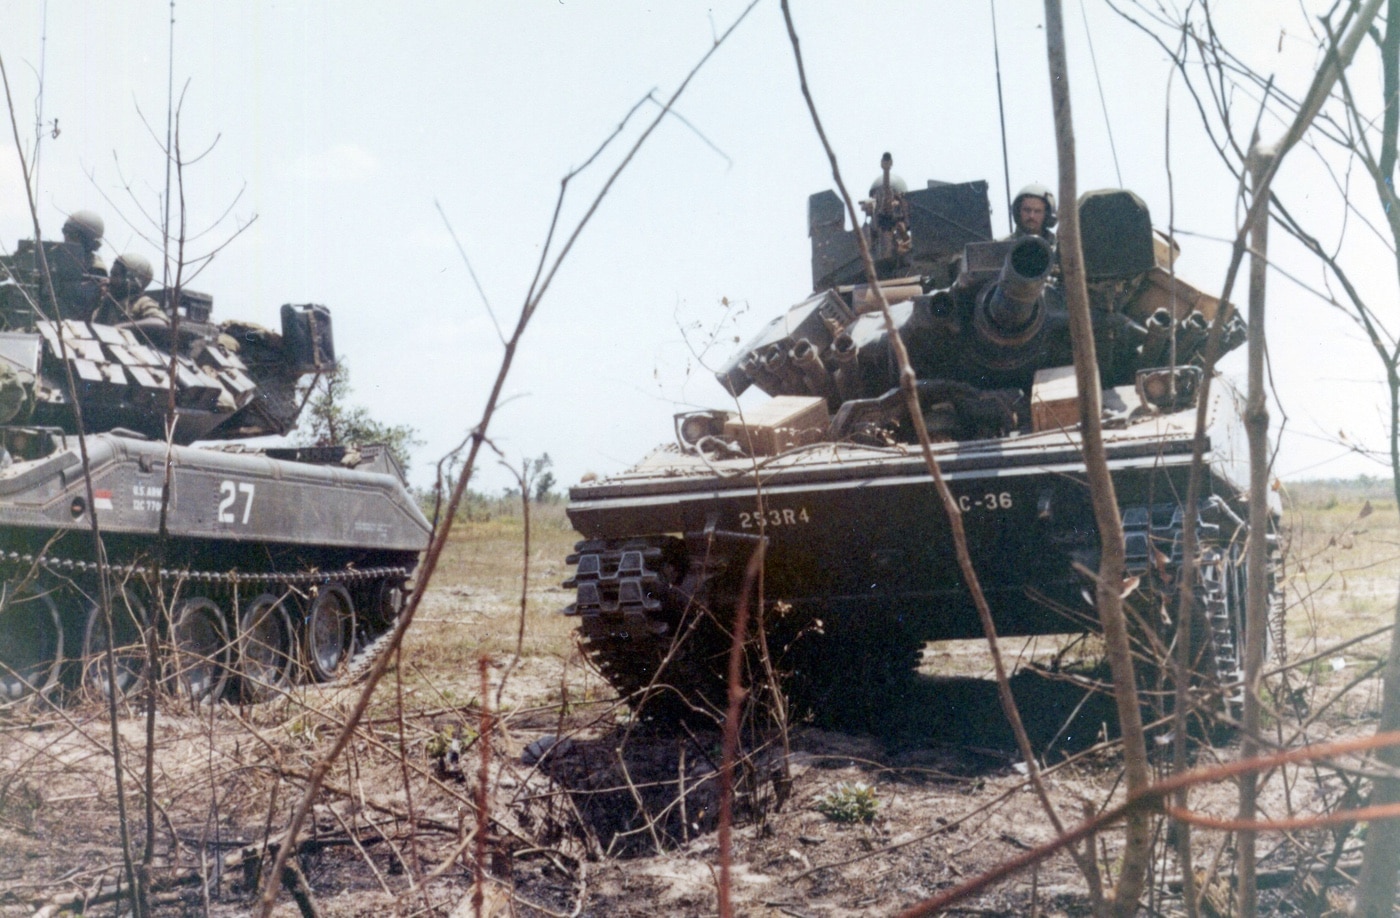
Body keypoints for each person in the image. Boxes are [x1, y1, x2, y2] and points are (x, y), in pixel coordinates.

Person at [92, 253, 167, 327]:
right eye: (111, 274)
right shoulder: (108, 303)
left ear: (131, 279)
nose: (110, 279)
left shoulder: (142, 302)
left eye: (115, 275)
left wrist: (121, 327)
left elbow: (160, 321)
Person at [61, 209, 107, 277]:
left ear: (87, 241)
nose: (66, 237)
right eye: (65, 232)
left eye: (73, 235)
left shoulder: (96, 269)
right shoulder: (59, 262)